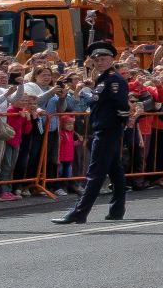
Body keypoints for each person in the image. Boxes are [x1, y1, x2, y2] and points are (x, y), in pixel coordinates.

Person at [52, 44, 130, 224]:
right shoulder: (103, 80)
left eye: (103, 59)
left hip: (107, 130)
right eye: (96, 60)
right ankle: (117, 209)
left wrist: (118, 127)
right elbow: (99, 104)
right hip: (103, 128)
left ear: (112, 60)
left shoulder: (114, 80)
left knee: (95, 172)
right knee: (115, 170)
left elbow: (122, 107)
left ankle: (80, 212)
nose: (100, 62)